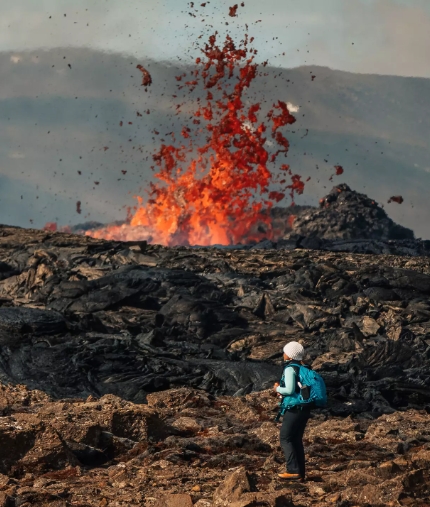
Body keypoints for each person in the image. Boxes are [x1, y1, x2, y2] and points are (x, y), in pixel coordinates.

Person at [274, 341, 311, 481]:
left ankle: (293, 471)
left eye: (285, 352)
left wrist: (277, 389)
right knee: (296, 439)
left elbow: (289, 390)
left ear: (289, 355)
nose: (283, 354)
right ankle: (300, 472)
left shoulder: (290, 369)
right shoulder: (303, 368)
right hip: (305, 408)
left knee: (285, 438)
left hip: (294, 409)